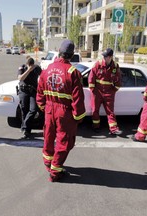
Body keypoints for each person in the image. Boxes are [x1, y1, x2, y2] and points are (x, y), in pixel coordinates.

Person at [36, 39, 86, 182]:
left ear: (59, 52)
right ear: (71, 55)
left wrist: (44, 107)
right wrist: (78, 117)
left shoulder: (46, 69)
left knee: (48, 137)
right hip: (64, 113)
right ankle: (55, 171)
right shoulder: (73, 72)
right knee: (65, 141)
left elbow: (39, 94)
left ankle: (48, 163)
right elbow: (78, 99)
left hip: (49, 110)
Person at [88, 48, 122, 135]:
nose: (103, 58)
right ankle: (96, 126)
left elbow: (118, 80)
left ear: (110, 57)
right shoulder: (98, 64)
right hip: (97, 91)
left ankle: (113, 129)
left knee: (110, 111)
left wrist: (113, 90)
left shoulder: (115, 66)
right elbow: (91, 78)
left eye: (105, 56)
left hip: (109, 92)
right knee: (95, 110)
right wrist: (93, 90)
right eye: (103, 56)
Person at [18, 57, 42, 139]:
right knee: (24, 109)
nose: (30, 66)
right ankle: (27, 131)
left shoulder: (37, 68)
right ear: (26, 64)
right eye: (29, 64)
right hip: (23, 90)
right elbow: (20, 78)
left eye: (31, 64)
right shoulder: (23, 67)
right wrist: (28, 70)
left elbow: (43, 76)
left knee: (33, 110)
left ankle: (24, 126)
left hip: (33, 91)